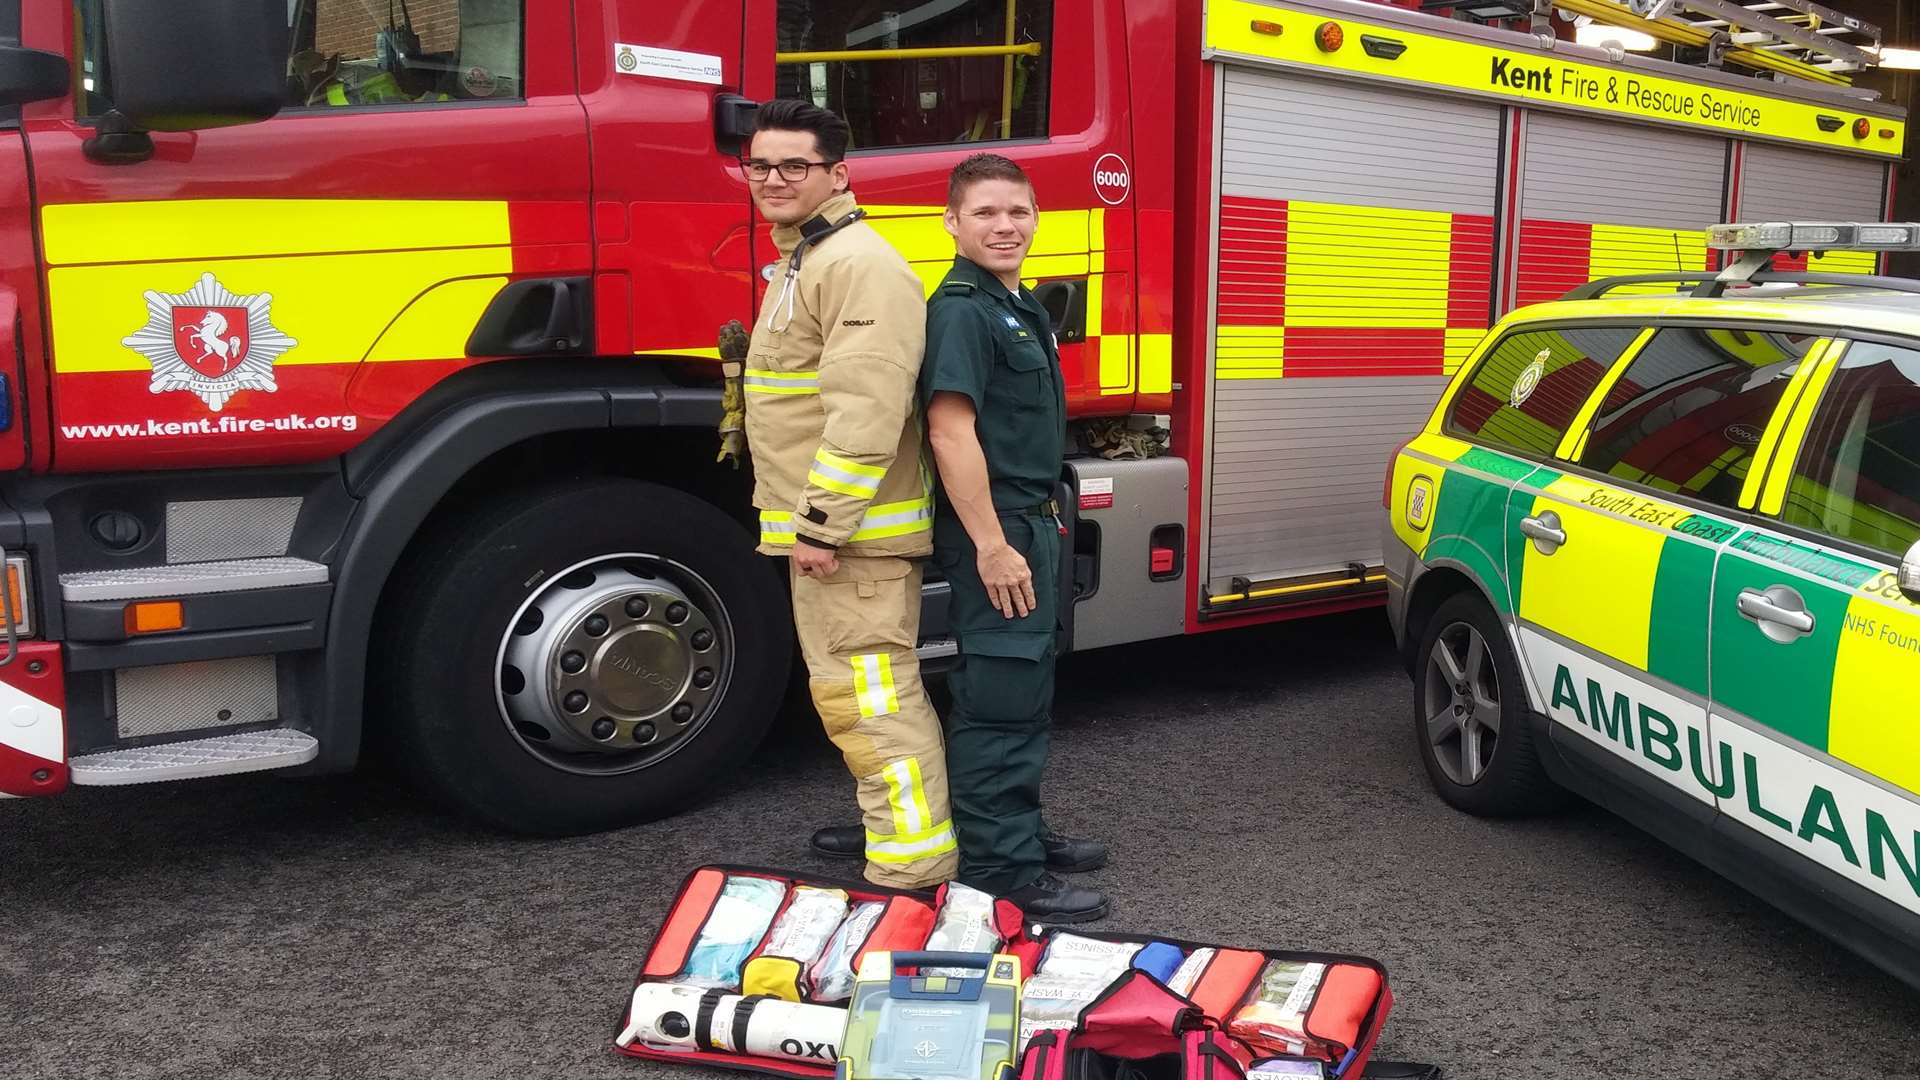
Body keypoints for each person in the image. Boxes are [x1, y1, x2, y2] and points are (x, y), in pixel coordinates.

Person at [738, 100, 957, 889]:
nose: (772, 179)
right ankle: (897, 842)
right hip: (840, 536)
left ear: (838, 174)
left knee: (872, 704)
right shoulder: (810, 256)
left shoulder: (855, 263)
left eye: (793, 165)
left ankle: (911, 875)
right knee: (856, 701)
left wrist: (823, 527)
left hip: (852, 541)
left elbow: (865, 411)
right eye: (759, 164)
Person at [918, 153, 1109, 923]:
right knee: (1000, 695)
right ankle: (1002, 869)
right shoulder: (963, 309)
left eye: (1019, 212)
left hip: (1031, 522)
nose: (1006, 226)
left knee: (1024, 689)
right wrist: (994, 546)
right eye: (987, 213)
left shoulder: (1012, 302)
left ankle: (1016, 831)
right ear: (953, 223)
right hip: (997, 530)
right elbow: (949, 430)